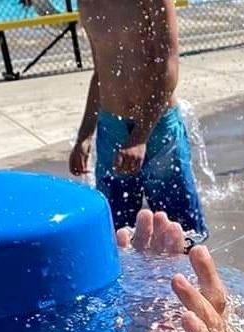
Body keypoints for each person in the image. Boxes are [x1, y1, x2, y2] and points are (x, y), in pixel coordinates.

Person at [68, 0, 207, 241]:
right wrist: (85, 134)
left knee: (183, 236)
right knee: (116, 236)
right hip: (112, 128)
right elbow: (101, 71)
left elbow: (168, 64)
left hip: (158, 128)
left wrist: (140, 137)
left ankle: (189, 279)